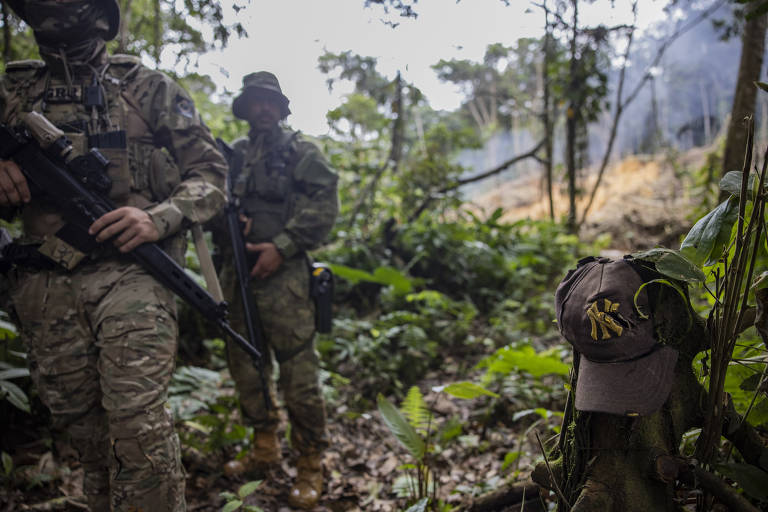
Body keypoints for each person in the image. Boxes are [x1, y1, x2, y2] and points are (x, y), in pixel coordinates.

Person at [0, 1, 227, 511]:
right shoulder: (12, 93)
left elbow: (212, 177)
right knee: (85, 432)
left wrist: (158, 217)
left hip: (133, 273)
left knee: (137, 423)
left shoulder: (150, 88)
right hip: (44, 282)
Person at [213, 71, 338, 509]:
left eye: (270, 102)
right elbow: (204, 201)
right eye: (255, 102)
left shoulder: (301, 152)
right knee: (246, 367)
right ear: (245, 108)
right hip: (237, 275)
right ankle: (264, 448)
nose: (262, 109)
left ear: (281, 108)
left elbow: (326, 205)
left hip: (284, 280)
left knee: (299, 375)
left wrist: (281, 247)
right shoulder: (232, 157)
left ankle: (310, 464)